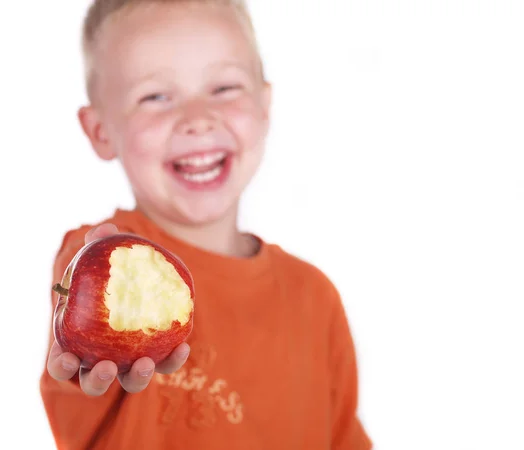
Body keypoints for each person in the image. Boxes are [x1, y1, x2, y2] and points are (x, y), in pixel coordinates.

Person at [39, 0, 372, 448]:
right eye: (155, 96)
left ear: (264, 105)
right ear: (101, 131)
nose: (197, 119)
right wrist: (84, 345)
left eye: (224, 87)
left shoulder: (315, 297)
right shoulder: (97, 258)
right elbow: (74, 387)